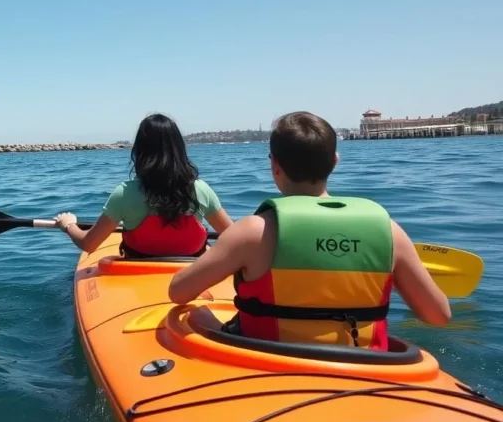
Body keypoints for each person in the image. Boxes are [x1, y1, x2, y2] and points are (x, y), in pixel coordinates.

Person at [168, 111, 451, 351]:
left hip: (267, 361)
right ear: (335, 162)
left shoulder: (252, 231)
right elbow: (438, 316)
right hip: (364, 366)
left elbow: (178, 291)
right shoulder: (389, 232)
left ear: (274, 166)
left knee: (197, 315)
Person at [54, 113, 234, 257]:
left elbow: (88, 244)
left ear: (139, 150)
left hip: (138, 271)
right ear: (179, 148)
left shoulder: (124, 193)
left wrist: (68, 225)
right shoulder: (201, 189)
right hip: (191, 275)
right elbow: (235, 237)